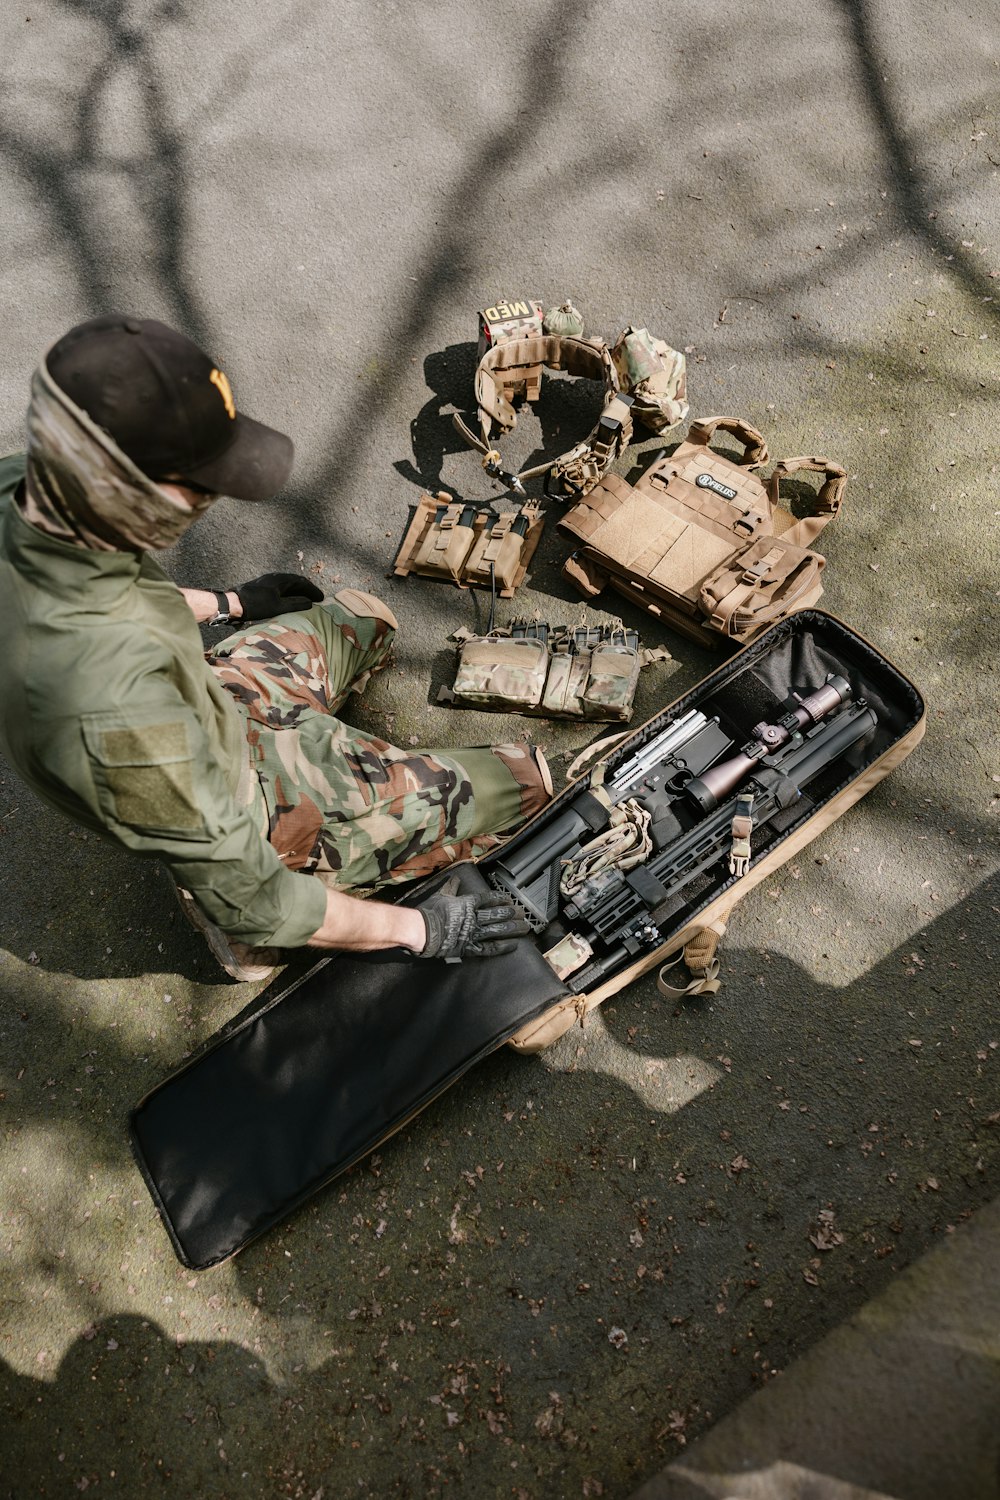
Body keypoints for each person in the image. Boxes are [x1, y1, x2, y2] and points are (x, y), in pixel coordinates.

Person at [0, 315, 552, 979]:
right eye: (198, 482)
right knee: (527, 783)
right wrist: (419, 929)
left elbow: (101, 592)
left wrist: (227, 606)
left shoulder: (28, 491)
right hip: (235, 808)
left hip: (210, 710)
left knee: (362, 619)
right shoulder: (117, 715)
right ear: (118, 491)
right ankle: (239, 917)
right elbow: (258, 899)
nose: (213, 495)